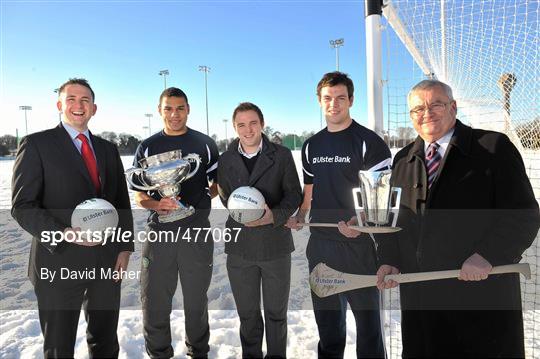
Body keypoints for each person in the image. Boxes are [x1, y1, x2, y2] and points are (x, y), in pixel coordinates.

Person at [375, 79, 540, 358]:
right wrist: (389, 258)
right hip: (422, 303)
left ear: (453, 107)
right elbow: (398, 222)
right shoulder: (404, 159)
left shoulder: (492, 148)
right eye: (417, 109)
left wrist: (488, 254)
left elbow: (523, 215)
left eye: (435, 104)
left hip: (479, 298)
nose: (426, 113)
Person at [11, 78, 134, 358]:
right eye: (71, 99)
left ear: (94, 108)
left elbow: (121, 203)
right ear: (59, 105)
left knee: (105, 340)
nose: (78, 106)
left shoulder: (108, 149)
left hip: (105, 260)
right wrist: (64, 232)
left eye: (85, 100)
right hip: (58, 261)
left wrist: (125, 247)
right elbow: (23, 205)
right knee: (59, 345)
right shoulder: (36, 144)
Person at [287, 72, 390, 358]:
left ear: (351, 100)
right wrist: (300, 214)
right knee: (329, 328)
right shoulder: (311, 145)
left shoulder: (369, 142)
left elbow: (381, 200)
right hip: (320, 246)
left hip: (359, 247)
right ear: (319, 101)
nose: (334, 104)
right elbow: (310, 190)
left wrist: (361, 223)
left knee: (369, 330)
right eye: (328, 99)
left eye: (340, 98)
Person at [131, 87, 219, 359]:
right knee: (155, 299)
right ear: (160, 110)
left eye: (180, 108)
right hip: (160, 233)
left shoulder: (204, 143)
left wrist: (205, 195)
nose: (174, 114)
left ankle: (198, 352)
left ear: (188, 109)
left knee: (196, 300)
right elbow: (139, 194)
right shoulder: (147, 146)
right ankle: (159, 353)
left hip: (196, 232)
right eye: (168, 108)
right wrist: (159, 204)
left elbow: (217, 184)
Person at [217, 102, 302, 358]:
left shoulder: (282, 155)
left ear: (262, 124)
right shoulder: (226, 159)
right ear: (234, 127)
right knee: (248, 315)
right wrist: (244, 211)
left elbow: (294, 195)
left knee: (276, 315)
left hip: (275, 246)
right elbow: (225, 197)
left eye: (253, 123)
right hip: (240, 249)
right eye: (241, 124)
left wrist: (271, 216)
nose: (248, 129)